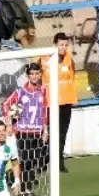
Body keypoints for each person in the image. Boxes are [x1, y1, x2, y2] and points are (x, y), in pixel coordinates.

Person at [1, 63, 48, 196]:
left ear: (40, 74)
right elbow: (5, 105)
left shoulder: (42, 91)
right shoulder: (20, 91)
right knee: (26, 161)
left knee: (34, 162)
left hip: (37, 132)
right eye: (31, 74)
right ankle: (22, 191)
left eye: (36, 74)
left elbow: (44, 110)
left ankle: (28, 189)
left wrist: (45, 130)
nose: (34, 76)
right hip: (23, 132)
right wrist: (9, 123)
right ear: (28, 75)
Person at [42, 32, 75, 173]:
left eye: (66, 44)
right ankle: (43, 162)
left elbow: (72, 80)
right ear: (55, 44)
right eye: (61, 44)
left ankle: (59, 162)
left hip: (66, 102)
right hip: (50, 103)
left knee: (62, 134)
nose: (64, 47)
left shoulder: (69, 60)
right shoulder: (44, 59)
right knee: (47, 133)